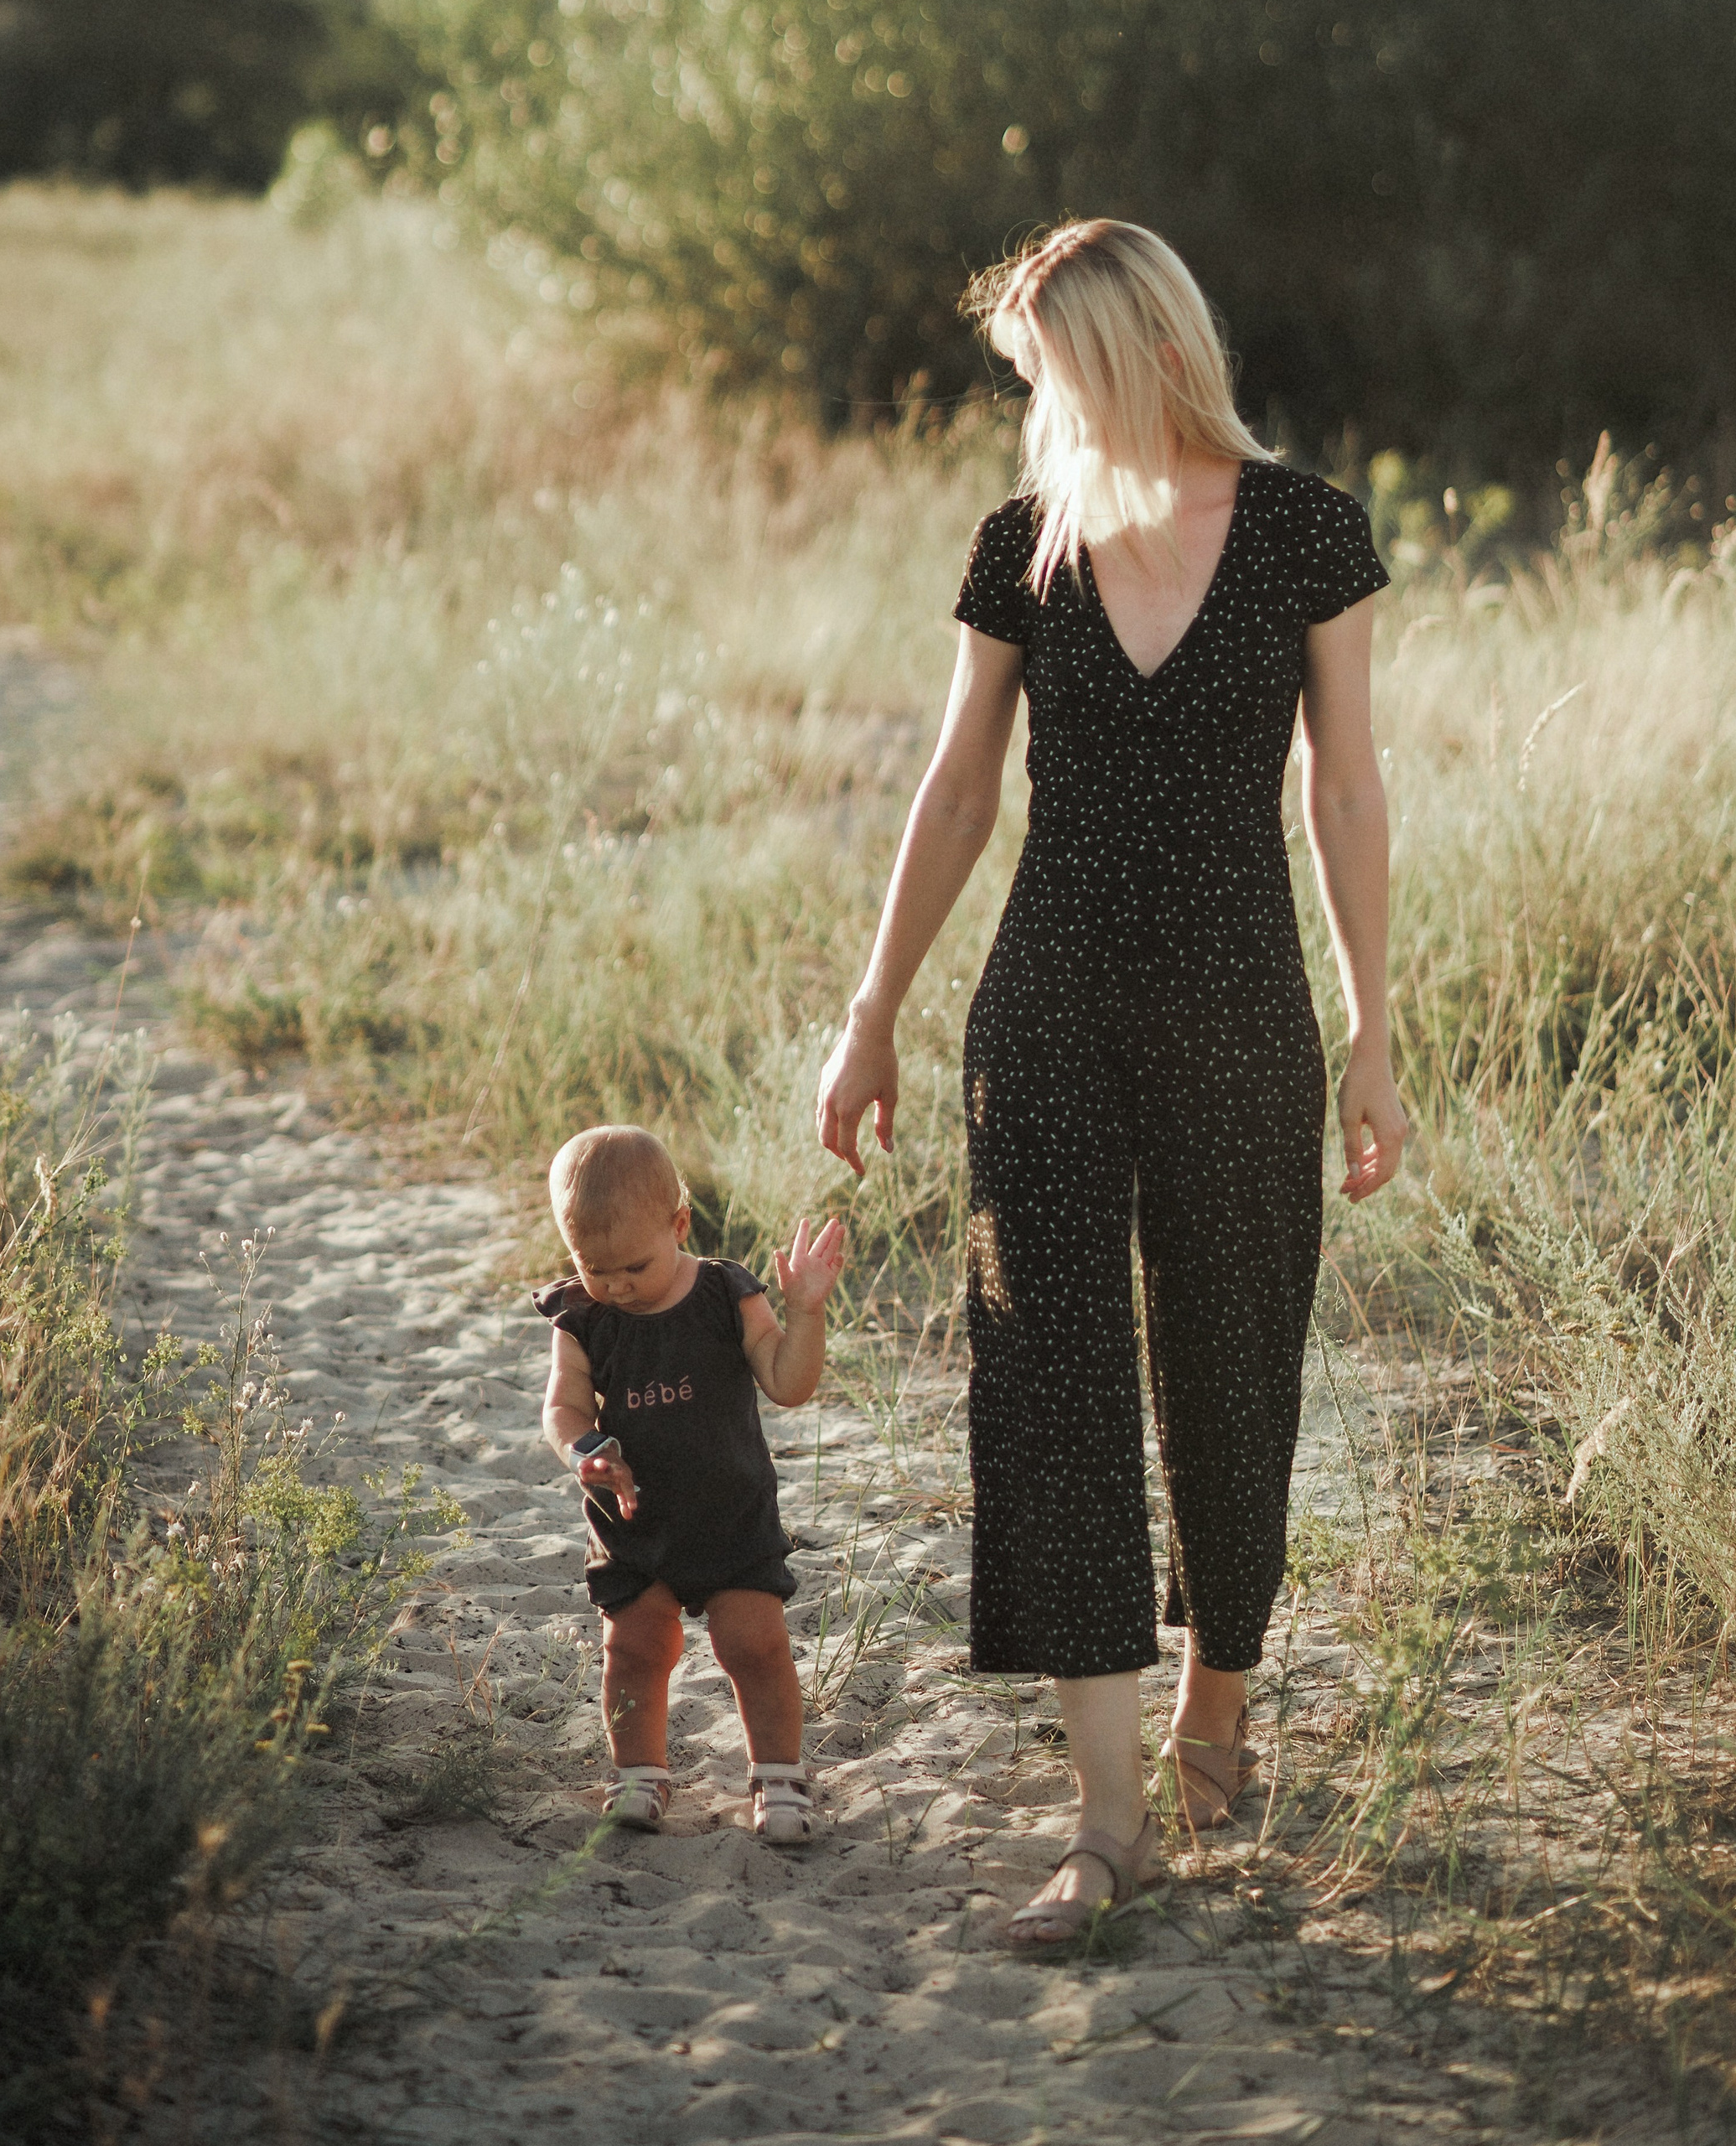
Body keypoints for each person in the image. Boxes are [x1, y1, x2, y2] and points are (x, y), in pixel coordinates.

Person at [815, 220, 1407, 1943]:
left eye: (1044, 372)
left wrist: (1374, 1030)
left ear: (1135, 350)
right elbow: (949, 791)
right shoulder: (1021, 546)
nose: (1029, 405)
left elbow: (1345, 797)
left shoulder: (1304, 531)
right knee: (1050, 1379)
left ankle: (1219, 1691)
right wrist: (873, 1010)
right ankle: (1102, 1811)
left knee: (1232, 1359)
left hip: (1237, 1001)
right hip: (1047, 1003)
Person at [533, 1124, 847, 1846]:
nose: (614, 1286)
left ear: (680, 1224)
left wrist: (807, 1310)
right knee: (635, 1649)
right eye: (594, 1267)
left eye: (633, 1268)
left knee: (755, 1647)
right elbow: (564, 1405)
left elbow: (788, 1384)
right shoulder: (582, 1319)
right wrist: (585, 1449)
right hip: (635, 1523)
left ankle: (778, 1777)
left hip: (729, 1514)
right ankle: (638, 1775)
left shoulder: (724, 1293)